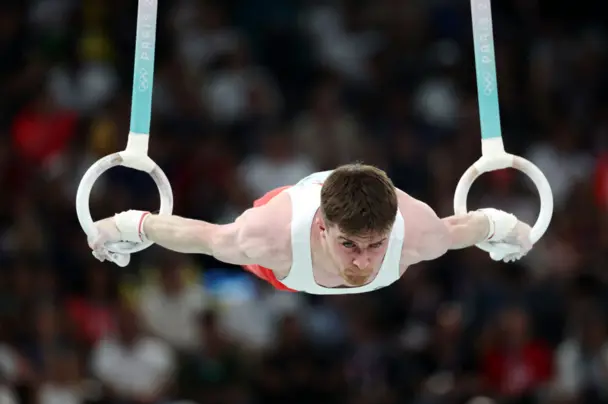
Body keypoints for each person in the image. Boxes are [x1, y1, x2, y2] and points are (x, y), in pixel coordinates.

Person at [89, 164, 533, 295]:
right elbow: (202, 236)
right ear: (322, 226)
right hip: (284, 251)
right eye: (350, 244)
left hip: (319, 246)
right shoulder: (268, 236)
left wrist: (509, 227)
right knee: (235, 249)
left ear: (393, 227)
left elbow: (469, 225)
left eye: (376, 244)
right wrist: (128, 224)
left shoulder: (421, 234)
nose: (362, 260)